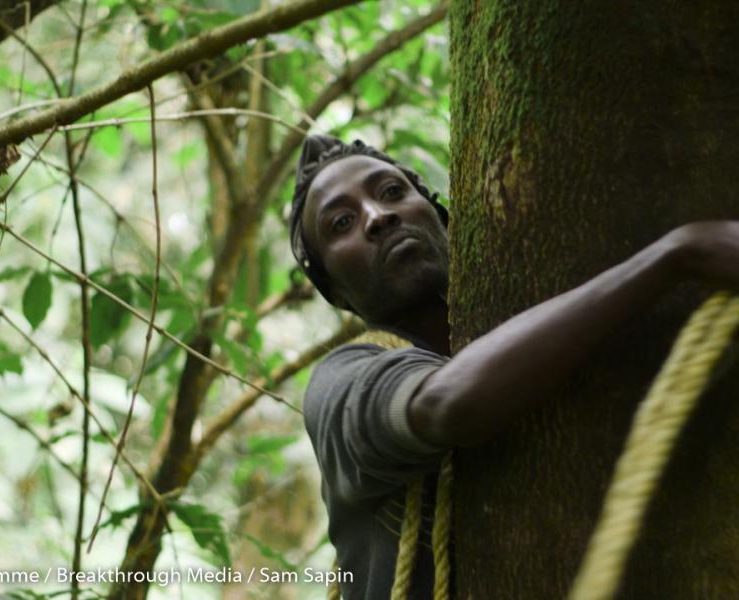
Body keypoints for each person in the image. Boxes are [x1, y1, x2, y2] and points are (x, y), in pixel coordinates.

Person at [288, 134, 739, 599]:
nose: (378, 216)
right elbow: (449, 404)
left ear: (439, 215)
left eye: (392, 191)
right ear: (334, 291)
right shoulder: (341, 380)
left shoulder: (536, 318)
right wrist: (679, 256)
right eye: (342, 222)